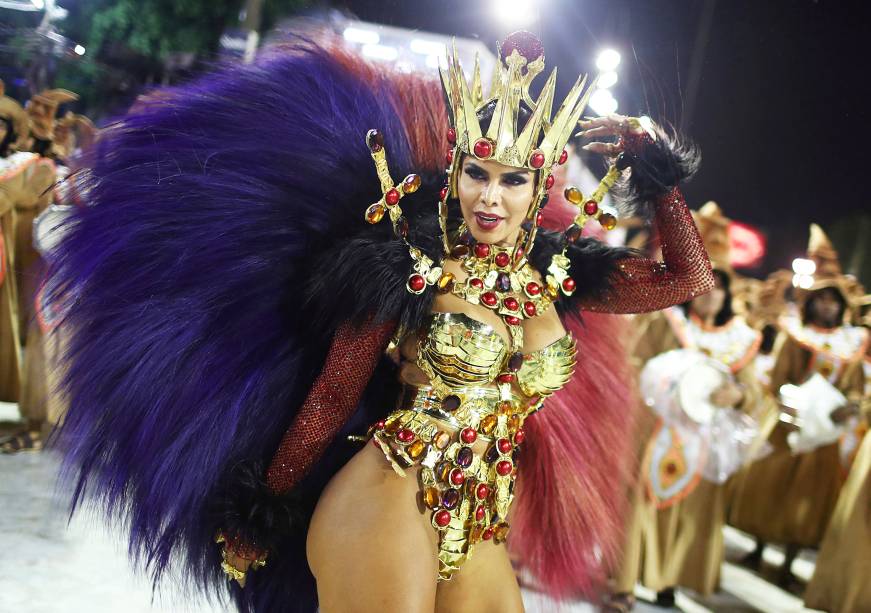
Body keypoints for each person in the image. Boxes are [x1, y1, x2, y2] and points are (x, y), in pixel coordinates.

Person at [49, 33, 712, 612]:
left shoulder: (558, 275)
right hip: (389, 494)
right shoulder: (408, 264)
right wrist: (262, 507)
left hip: (478, 520)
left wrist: (655, 172)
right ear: (453, 175)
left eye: (511, 181)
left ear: (537, 190)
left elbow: (685, 279)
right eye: (475, 173)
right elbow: (333, 392)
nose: (489, 196)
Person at [608, 203, 770, 610]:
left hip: (704, 439)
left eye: (719, 288)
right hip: (656, 429)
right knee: (638, 505)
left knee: (693, 512)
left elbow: (755, 393)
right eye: (705, 286)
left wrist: (738, 396)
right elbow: (631, 360)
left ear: (729, 294)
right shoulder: (665, 320)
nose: (711, 296)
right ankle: (624, 582)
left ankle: (669, 580)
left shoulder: (740, 340)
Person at [727, 224, 867, 588]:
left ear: (841, 306)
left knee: (806, 499)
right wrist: (796, 402)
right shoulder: (796, 337)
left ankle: (788, 560)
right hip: (788, 422)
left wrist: (847, 407)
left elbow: (855, 389)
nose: (828, 305)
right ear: (811, 303)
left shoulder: (851, 345)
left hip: (823, 436)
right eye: (822, 299)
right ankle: (758, 547)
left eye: (834, 301)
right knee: (768, 484)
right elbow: (778, 380)